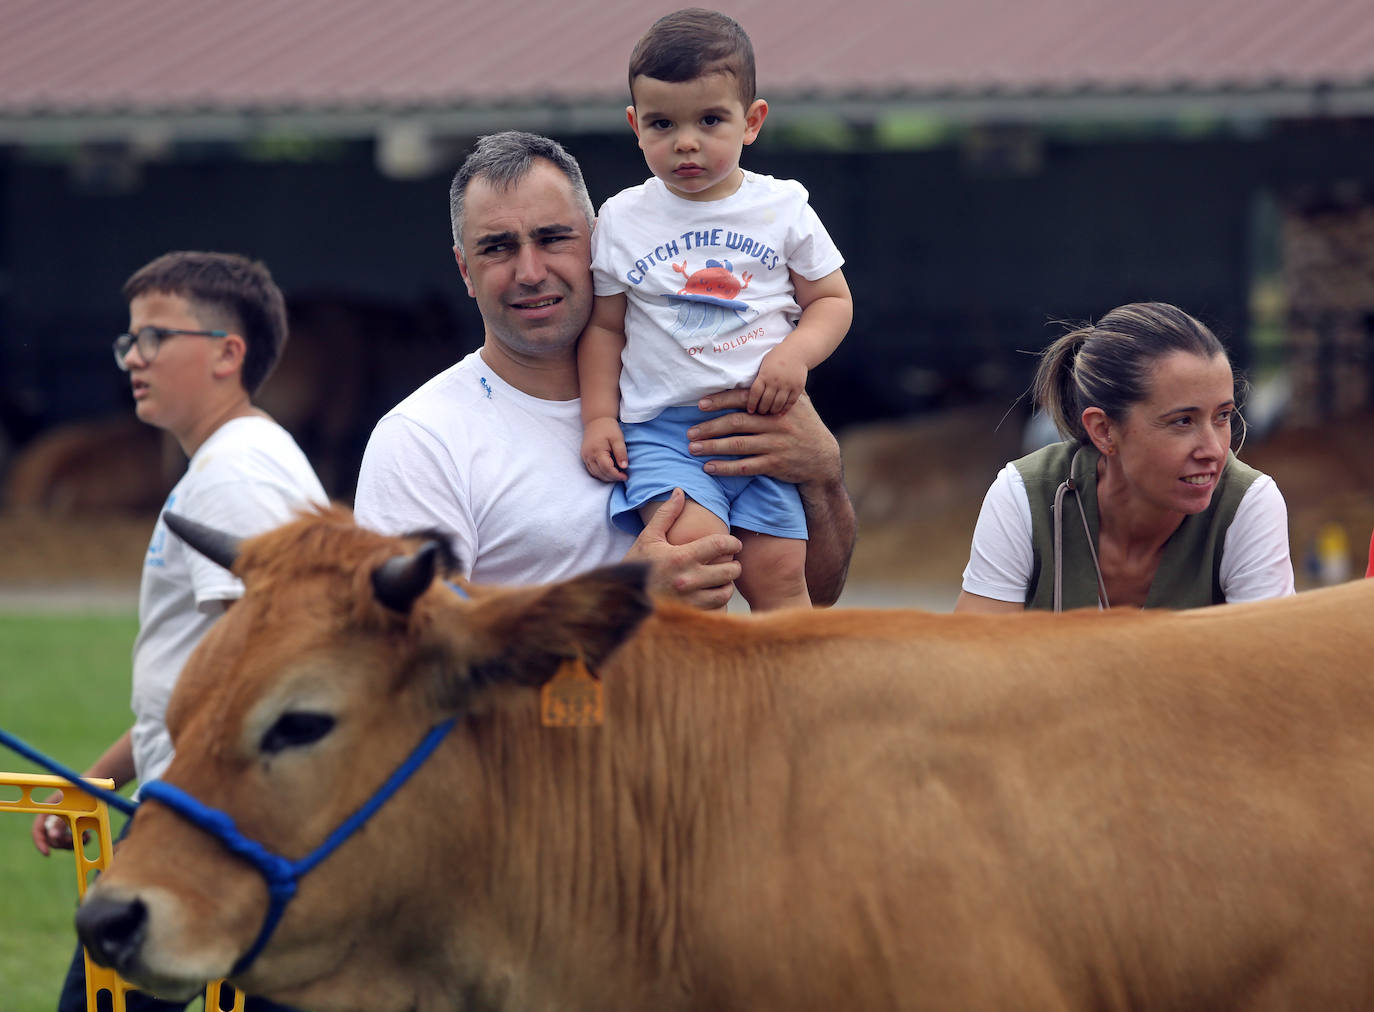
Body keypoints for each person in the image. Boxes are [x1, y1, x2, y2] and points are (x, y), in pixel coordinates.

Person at [353, 130, 854, 609]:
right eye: (498, 247)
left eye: (553, 239)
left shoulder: (710, 387)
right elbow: (401, 649)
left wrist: (823, 475)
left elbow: (818, 591)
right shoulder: (420, 441)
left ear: (599, 247)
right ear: (465, 270)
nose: (530, 272)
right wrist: (614, 600)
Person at [31, 251, 326, 1012]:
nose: (135, 357)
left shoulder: (236, 476)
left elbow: (265, 666)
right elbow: (204, 668)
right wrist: (104, 778)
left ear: (229, 353)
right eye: (130, 340)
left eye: (156, 337)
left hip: (208, 838)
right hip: (207, 827)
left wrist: (173, 819)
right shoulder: (230, 464)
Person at [577, 9, 853, 612]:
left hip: (765, 429)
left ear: (751, 121)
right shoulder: (622, 218)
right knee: (697, 562)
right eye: (661, 123)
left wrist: (793, 356)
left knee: (782, 577)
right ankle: (706, 700)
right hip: (667, 432)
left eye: (710, 119)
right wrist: (600, 418)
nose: (685, 142)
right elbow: (604, 326)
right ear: (635, 126)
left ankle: (794, 700)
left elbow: (832, 300)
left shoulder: (783, 208)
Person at [955, 301, 1294, 613]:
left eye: (1222, 416)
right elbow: (975, 661)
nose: (1216, 450)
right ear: (1103, 430)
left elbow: (1267, 671)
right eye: (1182, 421)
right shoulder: (1024, 495)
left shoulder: (1248, 504)